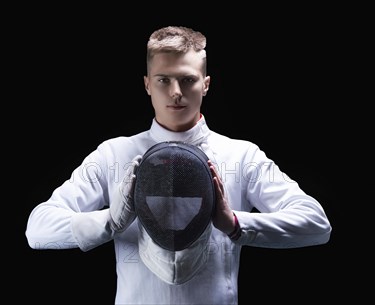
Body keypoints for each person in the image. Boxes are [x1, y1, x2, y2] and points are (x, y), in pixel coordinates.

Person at [25, 25, 332, 304]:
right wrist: (110, 221)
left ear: (206, 84)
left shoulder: (241, 156)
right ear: (147, 84)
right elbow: (38, 229)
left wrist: (234, 224)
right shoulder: (113, 155)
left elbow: (317, 225)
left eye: (187, 80)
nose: (175, 92)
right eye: (163, 80)